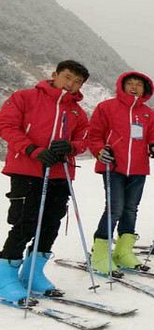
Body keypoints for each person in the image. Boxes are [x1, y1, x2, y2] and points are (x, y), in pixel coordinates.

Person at [0, 60, 90, 304]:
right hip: (26, 169)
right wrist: (33, 149)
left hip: (60, 173)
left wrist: (70, 146)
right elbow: (6, 125)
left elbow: (85, 138)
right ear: (55, 75)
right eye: (67, 77)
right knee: (24, 222)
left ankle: (33, 273)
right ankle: (5, 277)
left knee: (51, 224)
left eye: (77, 82)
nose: (71, 84)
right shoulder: (25, 97)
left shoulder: (76, 112)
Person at [88, 71, 154, 275]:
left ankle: (124, 251)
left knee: (131, 209)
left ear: (145, 89)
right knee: (115, 208)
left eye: (138, 85)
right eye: (129, 83)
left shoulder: (148, 113)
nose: (134, 87)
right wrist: (100, 150)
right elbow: (94, 135)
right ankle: (101, 253)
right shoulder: (107, 107)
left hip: (138, 168)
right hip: (113, 166)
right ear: (122, 85)